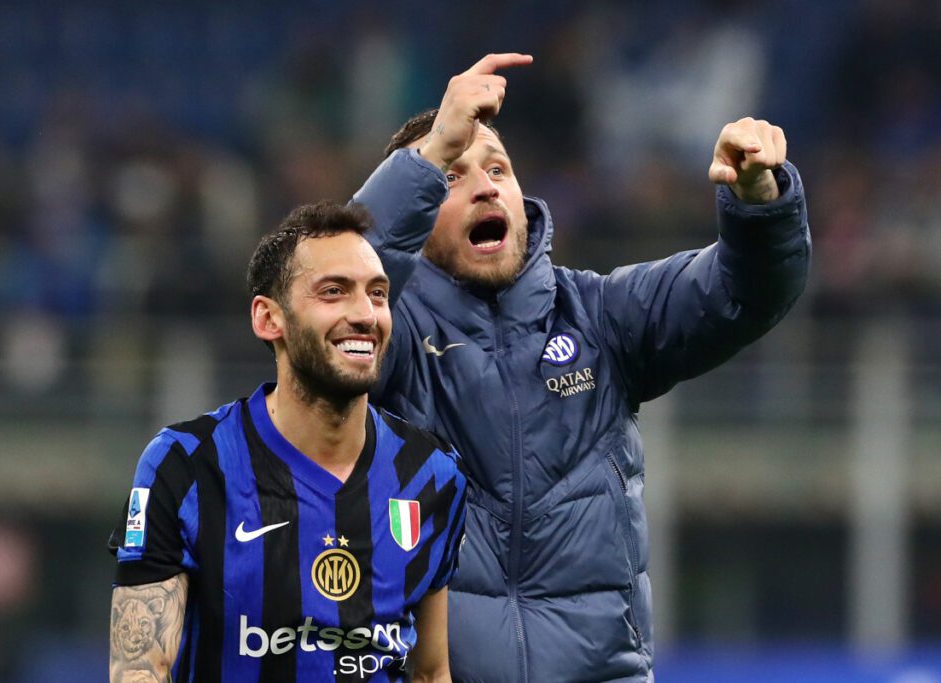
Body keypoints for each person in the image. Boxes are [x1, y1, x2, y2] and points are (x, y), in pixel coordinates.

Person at [352, 54, 810, 682]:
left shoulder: (600, 315)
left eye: (497, 169)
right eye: (451, 176)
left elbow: (742, 290)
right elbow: (332, 290)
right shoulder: (389, 340)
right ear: (414, 211)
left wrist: (761, 203)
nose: (485, 187)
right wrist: (429, 152)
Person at [107, 202, 467, 682]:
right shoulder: (186, 465)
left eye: (378, 294)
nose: (365, 314)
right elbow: (140, 670)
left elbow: (430, 673)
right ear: (268, 318)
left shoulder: (432, 474)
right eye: (334, 292)